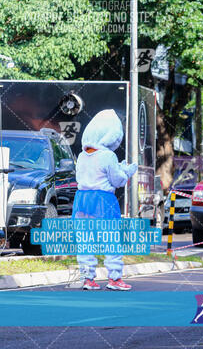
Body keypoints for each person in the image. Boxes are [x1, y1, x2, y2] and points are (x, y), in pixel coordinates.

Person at [72, 109, 137, 290]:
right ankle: (114, 279)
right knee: (110, 240)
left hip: (82, 200)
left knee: (85, 241)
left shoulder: (83, 155)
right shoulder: (108, 155)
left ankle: (88, 279)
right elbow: (117, 180)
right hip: (102, 201)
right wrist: (127, 171)